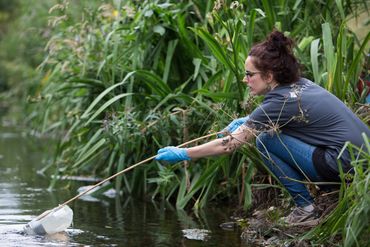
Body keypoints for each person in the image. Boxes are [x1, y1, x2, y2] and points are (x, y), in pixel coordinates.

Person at [155, 31, 370, 225]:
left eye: (250, 74)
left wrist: (184, 153)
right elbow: (285, 115)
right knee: (270, 133)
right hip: (363, 162)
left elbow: (229, 145)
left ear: (269, 76)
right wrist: (247, 118)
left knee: (265, 140)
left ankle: (306, 209)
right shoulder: (302, 84)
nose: (245, 79)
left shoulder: (277, 102)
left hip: (345, 165)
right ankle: (329, 189)